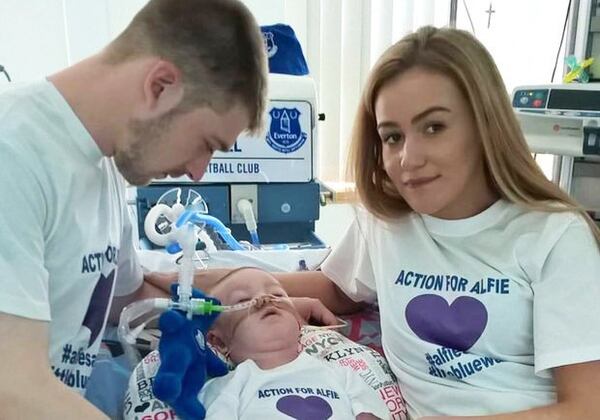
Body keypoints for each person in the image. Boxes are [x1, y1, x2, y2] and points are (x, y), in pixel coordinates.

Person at [173, 26, 600, 418]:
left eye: (434, 127)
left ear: (484, 124)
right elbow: (336, 287)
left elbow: (585, 408)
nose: (408, 160)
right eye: (392, 136)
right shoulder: (387, 222)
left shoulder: (554, 236)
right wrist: (191, 280)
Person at [0, 0, 271, 417]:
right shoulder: (14, 152)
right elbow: (12, 387)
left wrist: (231, 316)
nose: (199, 174)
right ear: (160, 85)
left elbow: (124, 297)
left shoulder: (100, 164)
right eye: (206, 145)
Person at [195, 267, 389, 419]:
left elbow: (369, 413)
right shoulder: (228, 387)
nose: (264, 299)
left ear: (299, 321)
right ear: (218, 341)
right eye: (243, 299)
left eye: (278, 295)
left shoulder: (341, 373)